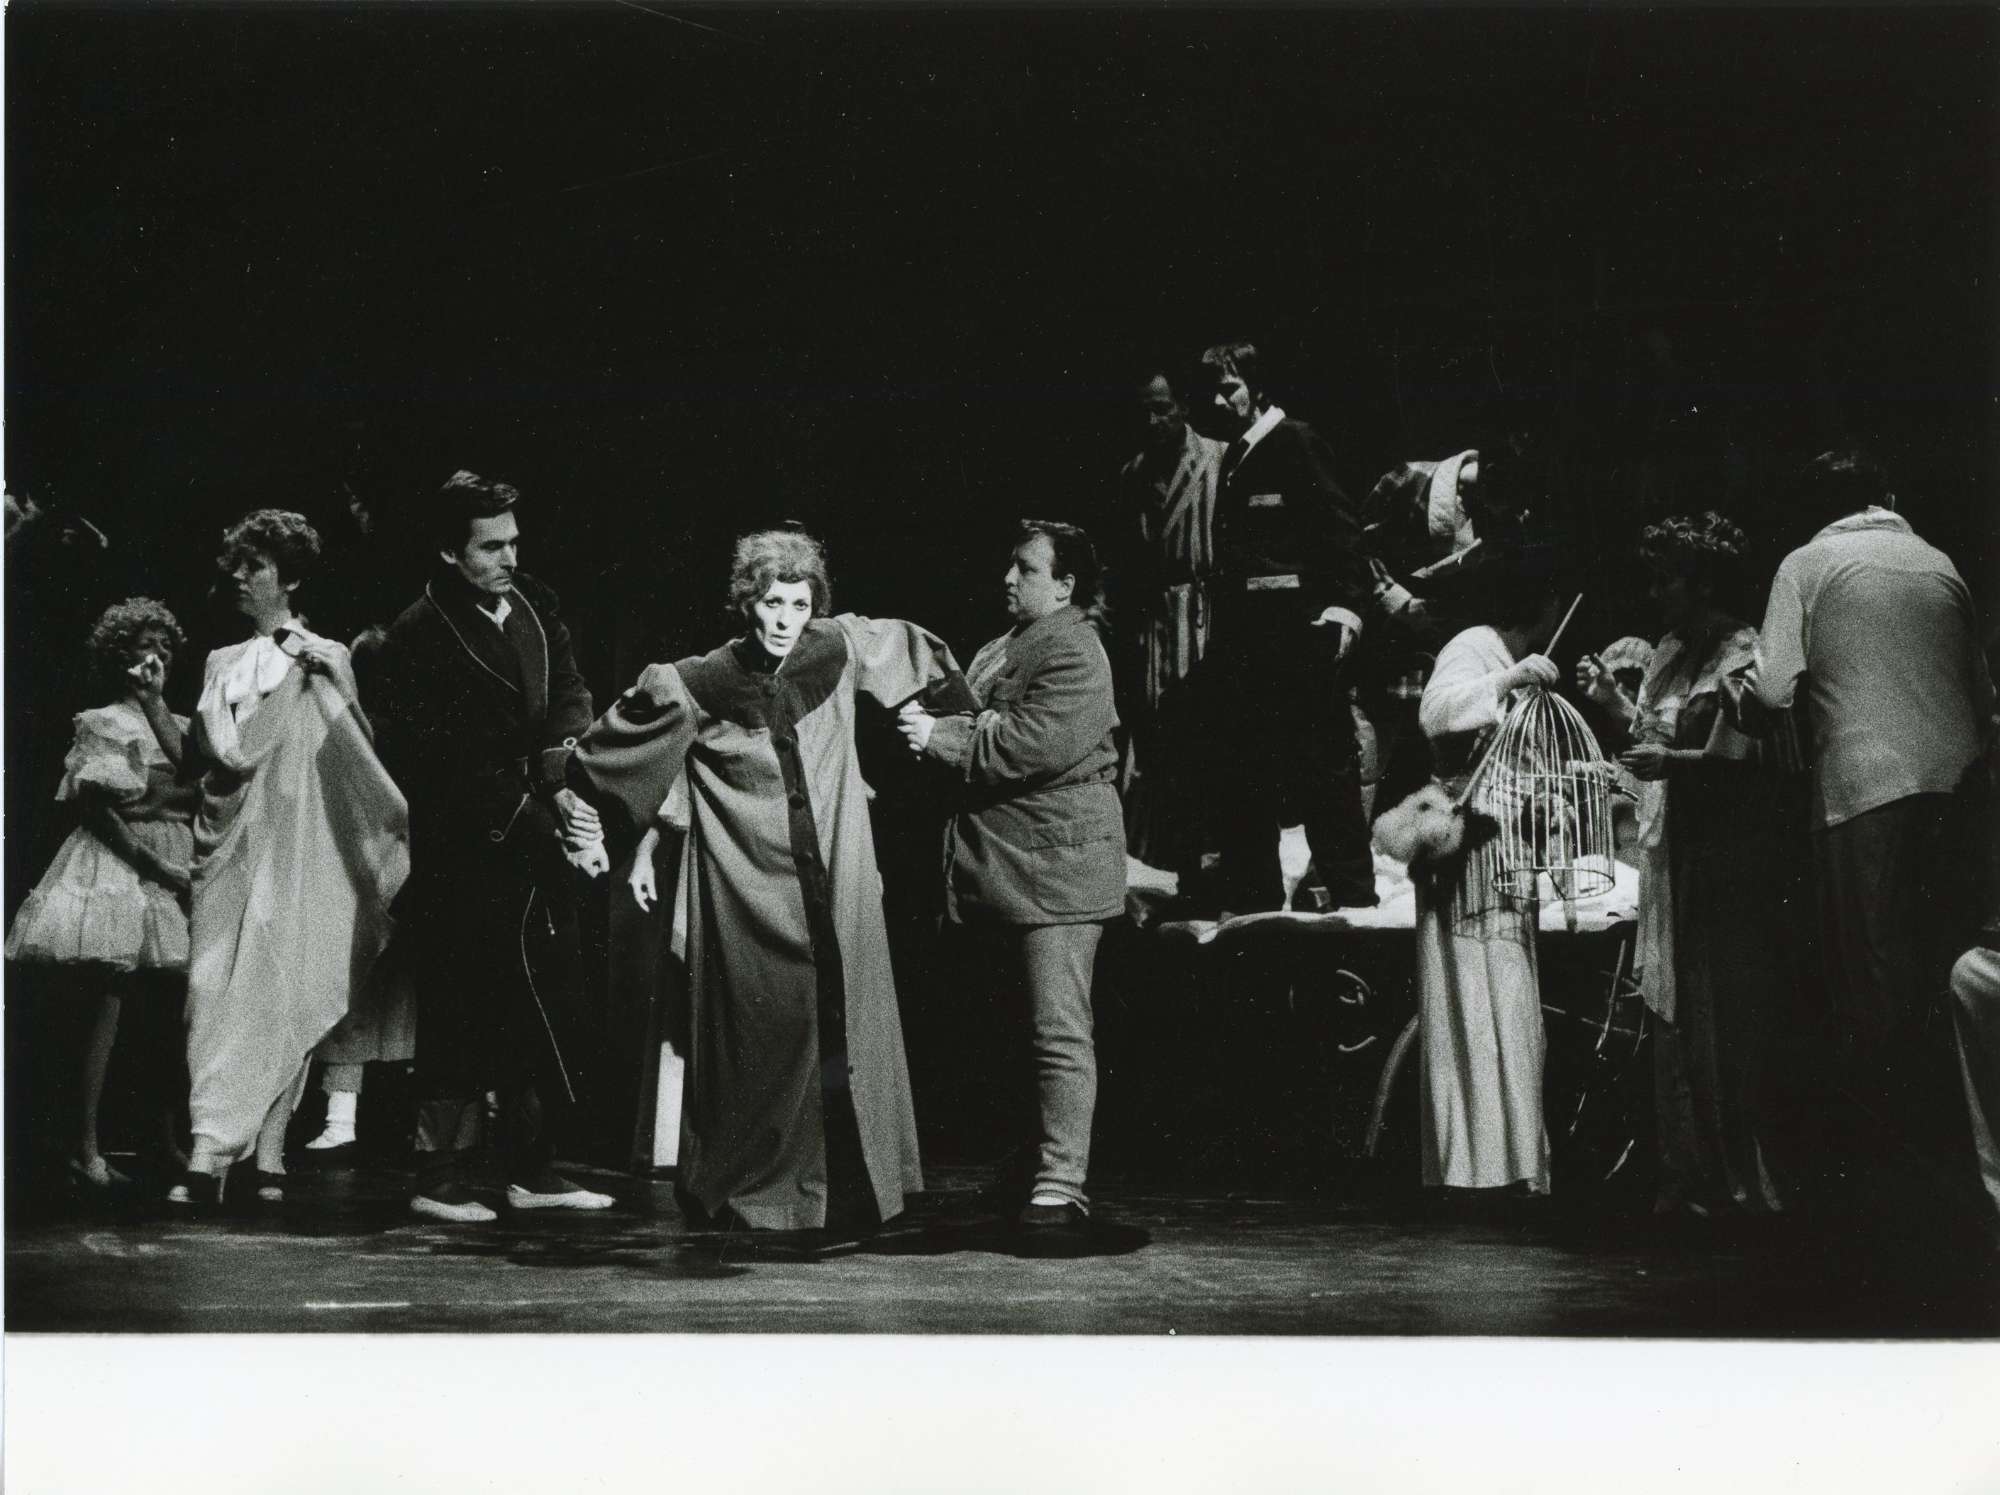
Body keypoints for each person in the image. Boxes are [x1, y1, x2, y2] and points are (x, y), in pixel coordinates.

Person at [573, 528, 970, 1237]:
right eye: (771, 603)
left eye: (798, 603)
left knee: (848, 1028)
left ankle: (854, 1189)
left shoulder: (836, 648)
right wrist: (569, 791)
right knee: (760, 1037)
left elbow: (920, 658)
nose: (785, 619)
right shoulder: (699, 682)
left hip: (838, 882)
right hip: (753, 891)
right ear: (745, 603)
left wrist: (942, 721)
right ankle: (763, 1192)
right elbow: (615, 750)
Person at [368, 471, 613, 1224]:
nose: (510, 556)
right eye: (490, 546)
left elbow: (569, 695)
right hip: (468, 848)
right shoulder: (418, 633)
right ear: (450, 551)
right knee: (461, 1009)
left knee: (544, 1001)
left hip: (535, 835)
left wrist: (565, 783)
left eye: (513, 540)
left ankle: (532, 1168)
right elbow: (444, 764)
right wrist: (543, 813)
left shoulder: (534, 602)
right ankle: (438, 1176)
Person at [167, 510, 410, 1205]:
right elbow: (207, 756)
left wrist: (339, 685)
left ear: (291, 577)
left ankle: (248, 1150)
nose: (240, 578)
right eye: (237, 566)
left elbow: (355, 753)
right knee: (210, 991)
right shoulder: (219, 662)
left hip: (298, 841)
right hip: (229, 840)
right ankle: (218, 1140)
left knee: (286, 978)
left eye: (257, 566)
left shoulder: (323, 653)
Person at [1743, 453, 1993, 1120]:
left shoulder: (1805, 563)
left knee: (1874, 968)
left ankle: (1889, 1130)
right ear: (1887, 498)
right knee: (1949, 960)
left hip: (1865, 785)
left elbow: (1771, 690)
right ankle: (1952, 1127)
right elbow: (1983, 695)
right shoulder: (1940, 562)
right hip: (1958, 789)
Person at [898, 521, 1125, 1243]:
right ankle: (1031, 1166)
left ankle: (1062, 1182)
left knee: (1058, 1031)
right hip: (1006, 866)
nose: (1008, 577)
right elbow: (977, 715)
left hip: (1058, 868)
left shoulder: (1076, 648)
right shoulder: (1006, 644)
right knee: (1016, 1031)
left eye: (1026, 568)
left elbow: (1034, 742)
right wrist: (948, 719)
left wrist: (945, 737)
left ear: (1065, 585)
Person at [1578, 513, 1804, 1217]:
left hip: (1721, 853)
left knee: (1718, 1009)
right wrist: (1614, 702)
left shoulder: (1743, 651)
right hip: (1672, 846)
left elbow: (1748, 761)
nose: (1655, 593)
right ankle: (1686, 1175)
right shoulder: (1672, 651)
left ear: (1702, 583)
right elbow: (1652, 735)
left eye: (1666, 579)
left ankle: (1735, 1180)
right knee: (1674, 1008)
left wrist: (1670, 762)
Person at [6, 599, 197, 1188]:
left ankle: (163, 1138)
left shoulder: (179, 724)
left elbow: (199, 787)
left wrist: (158, 805)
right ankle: (85, 1146)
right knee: (106, 1004)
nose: (157, 655)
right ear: (120, 656)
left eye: (165, 645)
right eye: (145, 644)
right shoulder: (102, 722)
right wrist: (153, 861)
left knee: (168, 1008)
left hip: (177, 860)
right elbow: (97, 810)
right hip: (121, 864)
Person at [1195, 339, 1376, 913]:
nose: (1218, 402)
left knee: (1324, 780)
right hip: (1247, 655)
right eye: (1211, 391)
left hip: (1298, 646)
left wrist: (1344, 610)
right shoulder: (1236, 457)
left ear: (1257, 386)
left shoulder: (1295, 441)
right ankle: (1256, 920)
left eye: (1229, 388)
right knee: (1248, 784)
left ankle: (1356, 912)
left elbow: (1343, 534)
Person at [1410, 553, 1566, 1195]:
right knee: (1472, 999)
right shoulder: (1473, 647)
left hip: (1505, 853)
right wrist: (1506, 681)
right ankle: (1473, 1168)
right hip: (1465, 853)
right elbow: (1435, 713)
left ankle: (1516, 1162)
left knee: (1511, 1001)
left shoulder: (1515, 662)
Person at [1108, 367, 1225, 867]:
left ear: (1184, 408)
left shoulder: (1219, 459)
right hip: (1155, 625)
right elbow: (1124, 561)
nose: (1154, 421)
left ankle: (1215, 851)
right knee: (1158, 740)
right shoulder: (1133, 474)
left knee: (1210, 734)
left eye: (1163, 409)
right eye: (1145, 412)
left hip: (1207, 616)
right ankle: (1173, 857)